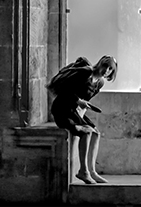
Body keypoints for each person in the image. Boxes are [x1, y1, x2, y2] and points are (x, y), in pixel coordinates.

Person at [47, 55, 118, 184]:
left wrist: (84, 106)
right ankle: (83, 171)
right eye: (105, 66)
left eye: (110, 69)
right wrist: (78, 101)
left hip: (74, 110)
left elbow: (84, 99)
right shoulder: (85, 73)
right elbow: (64, 90)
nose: (106, 70)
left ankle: (92, 171)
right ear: (100, 63)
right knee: (86, 132)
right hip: (62, 108)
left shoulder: (99, 83)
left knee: (96, 133)